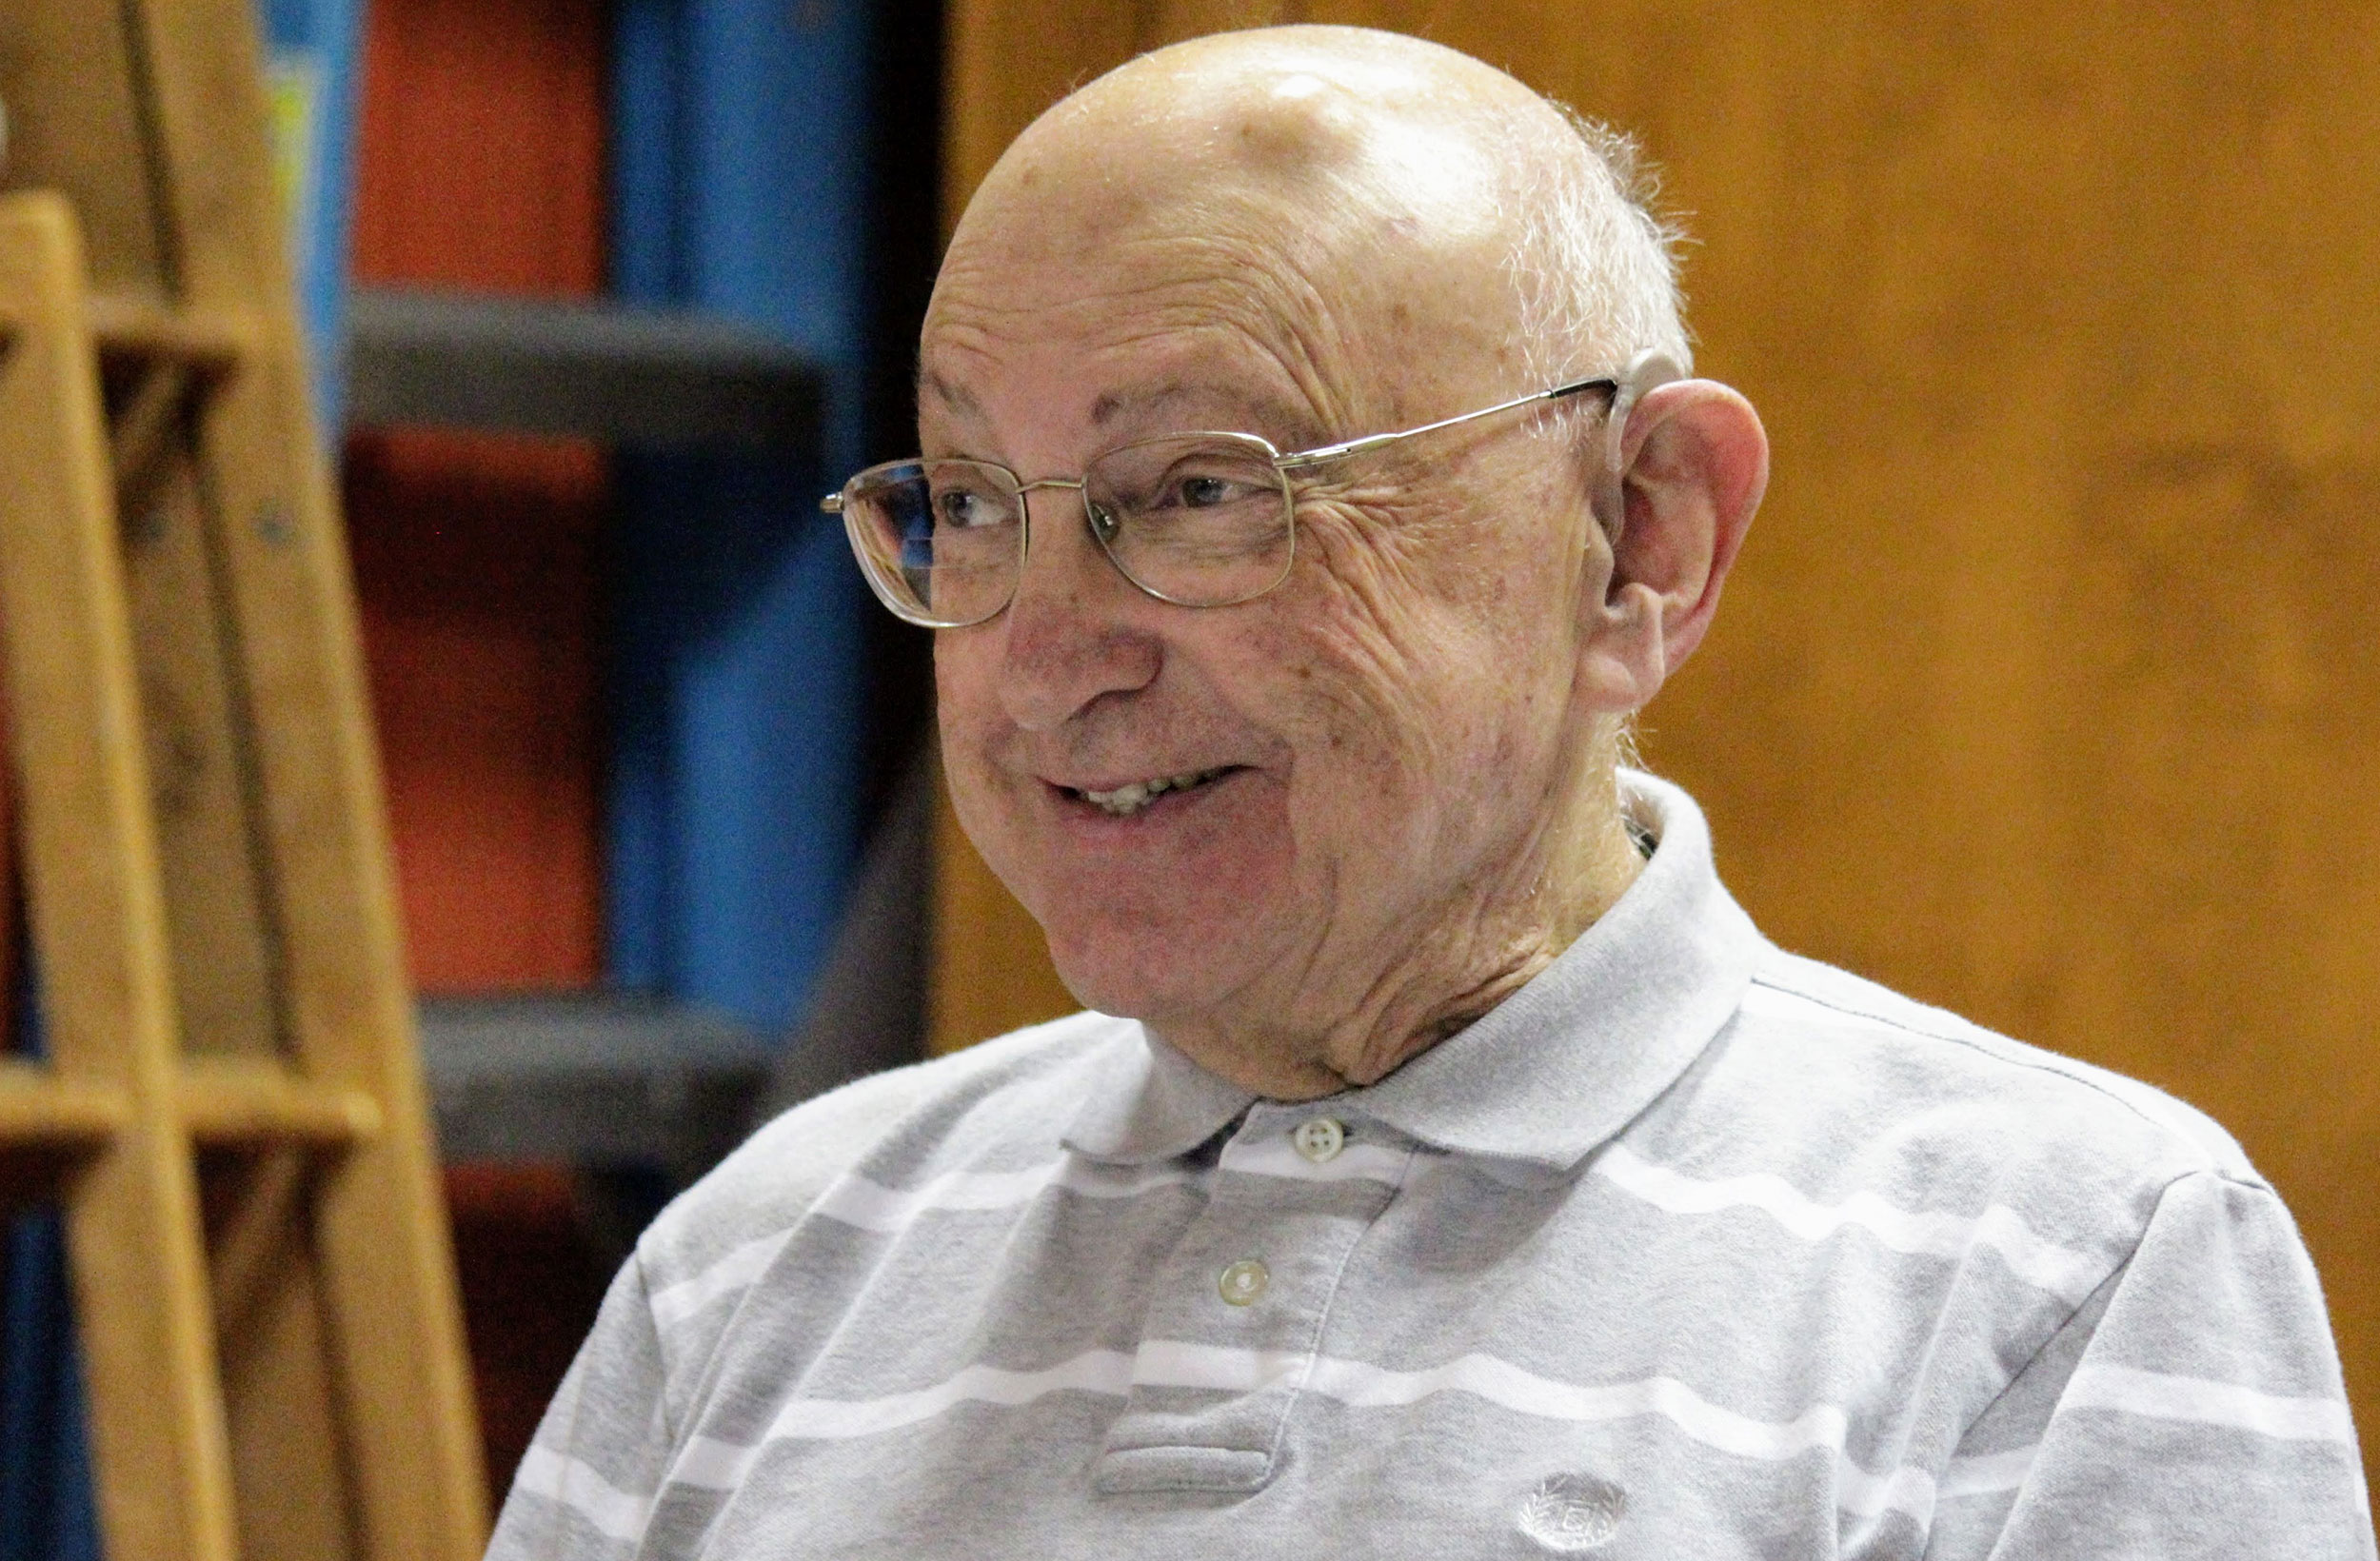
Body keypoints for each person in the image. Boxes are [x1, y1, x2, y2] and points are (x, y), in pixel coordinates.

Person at [487, 25, 2374, 1559]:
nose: (1043, 659)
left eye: (1205, 490)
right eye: (971, 504)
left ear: (1637, 538)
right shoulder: (765, 1263)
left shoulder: (2061, 1274)